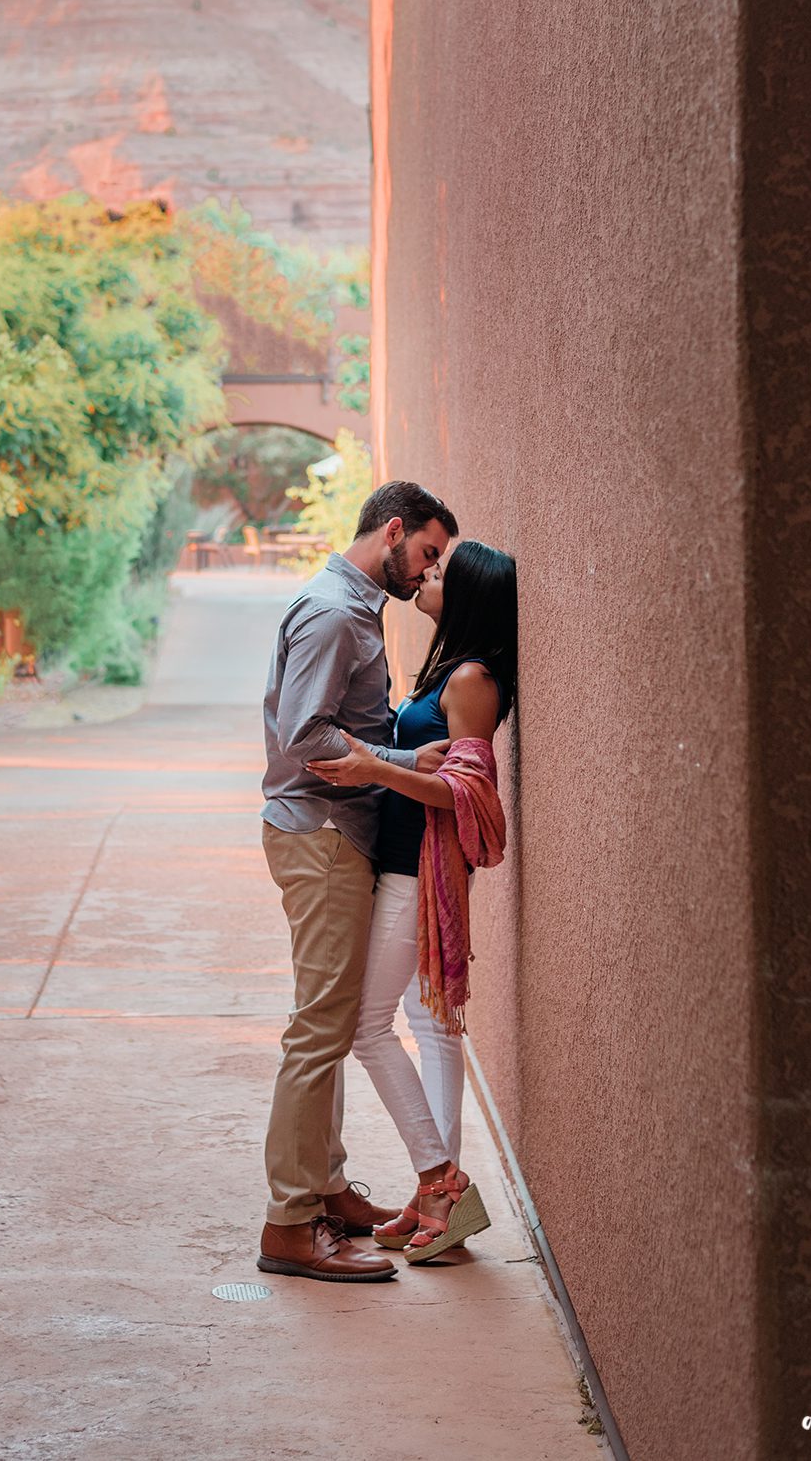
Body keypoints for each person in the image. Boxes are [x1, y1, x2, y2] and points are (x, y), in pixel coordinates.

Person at [257, 479, 458, 1284]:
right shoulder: (338, 613)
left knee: (333, 1023)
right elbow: (304, 734)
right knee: (319, 1030)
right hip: (324, 836)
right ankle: (289, 1226)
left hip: (333, 836)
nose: (428, 572)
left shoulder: (351, 605)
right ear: (394, 531)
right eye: (429, 554)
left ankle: (329, 1189)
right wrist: (406, 761)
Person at [308, 538, 517, 1263]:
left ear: (465, 598)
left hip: (416, 870)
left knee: (368, 1027)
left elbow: (466, 792)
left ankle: (441, 1181)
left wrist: (374, 767)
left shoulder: (472, 680)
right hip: (407, 863)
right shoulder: (447, 670)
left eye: (439, 573)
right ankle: (438, 1201)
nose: (426, 576)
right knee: (432, 1029)